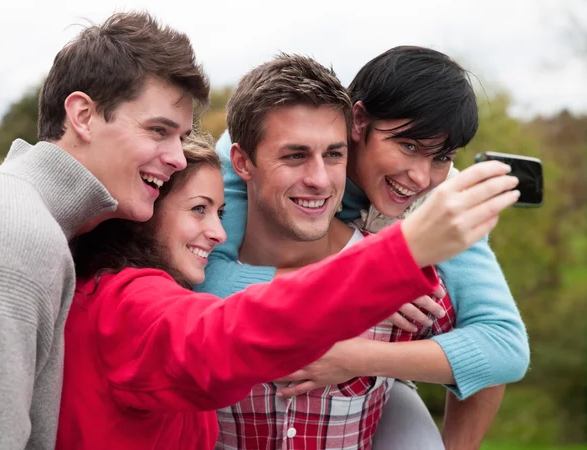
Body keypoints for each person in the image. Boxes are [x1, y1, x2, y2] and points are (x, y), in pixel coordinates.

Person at [56, 130, 516, 450]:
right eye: (198, 210)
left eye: (219, 211)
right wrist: (382, 269)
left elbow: (497, 345)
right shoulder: (132, 306)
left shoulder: (110, 291)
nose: (219, 233)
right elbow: (234, 329)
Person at [198, 49, 529, 449]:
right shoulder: (253, 149)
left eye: (441, 157)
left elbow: (501, 343)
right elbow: (204, 283)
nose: (421, 176)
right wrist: (360, 283)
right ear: (358, 122)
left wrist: (356, 357)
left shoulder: (442, 199)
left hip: (377, 373)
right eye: (407, 146)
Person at [0, 11, 208, 450]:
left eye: (181, 137)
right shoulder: (18, 235)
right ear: (83, 115)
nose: (179, 158)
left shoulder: (26, 214)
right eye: (159, 131)